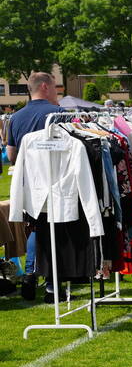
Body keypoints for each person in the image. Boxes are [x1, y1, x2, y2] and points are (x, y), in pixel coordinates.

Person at [6, 72, 63, 302]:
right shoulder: (58, 113)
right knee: (57, 232)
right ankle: (52, 285)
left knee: (35, 229)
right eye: (55, 88)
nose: (57, 92)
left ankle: (30, 274)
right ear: (45, 87)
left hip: (27, 182)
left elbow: (11, 155)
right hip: (53, 181)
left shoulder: (15, 117)